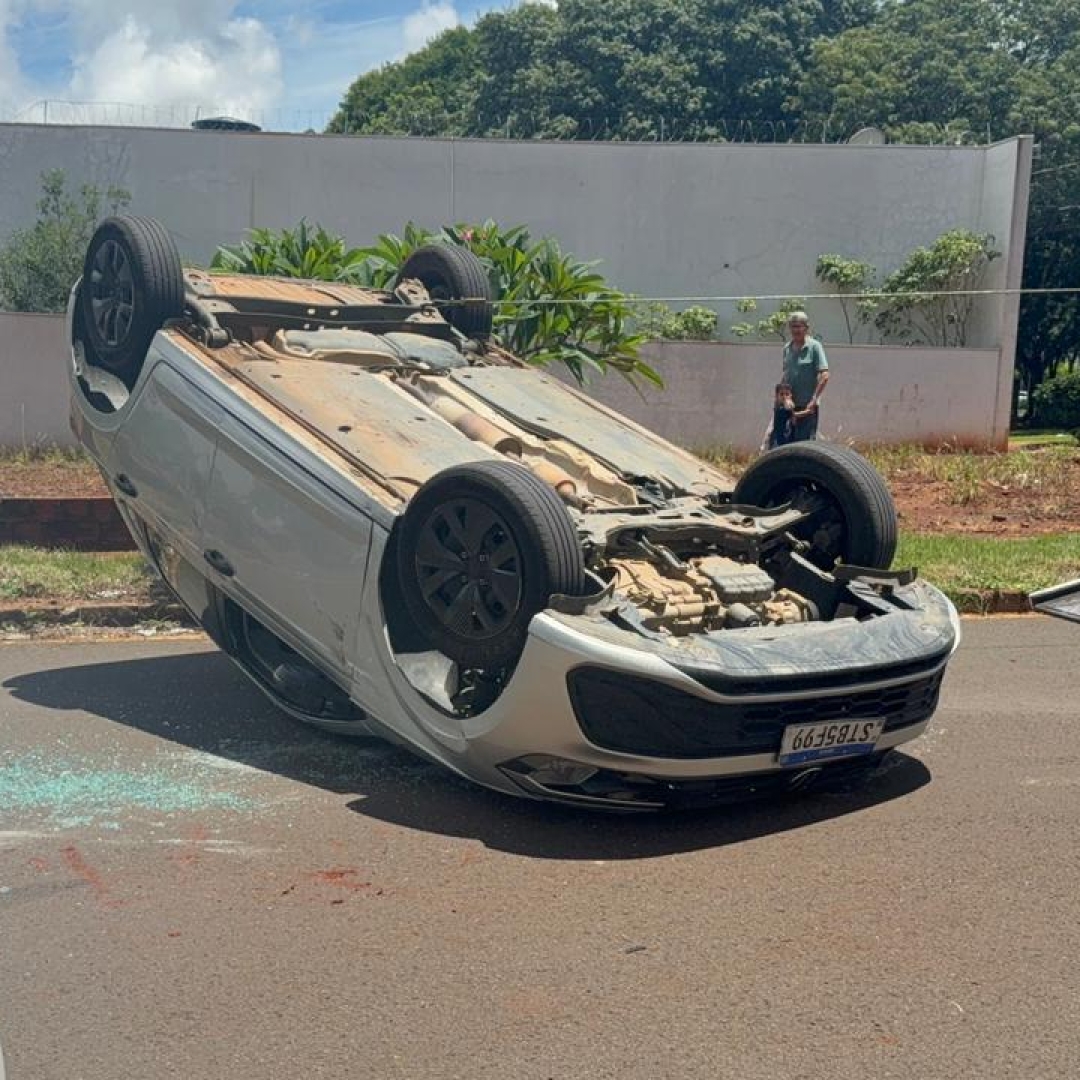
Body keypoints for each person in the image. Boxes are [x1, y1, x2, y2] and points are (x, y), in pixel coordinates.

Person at [781, 311, 829, 442]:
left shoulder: (814, 347)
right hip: (789, 406)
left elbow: (825, 375)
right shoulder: (787, 348)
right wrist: (783, 398)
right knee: (785, 442)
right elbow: (785, 376)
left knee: (805, 443)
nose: (795, 330)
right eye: (793, 326)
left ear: (806, 328)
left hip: (807, 407)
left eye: (799, 326)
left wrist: (814, 400)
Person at [768, 382, 795, 448]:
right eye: (782, 394)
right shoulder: (779, 409)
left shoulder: (788, 408)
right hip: (778, 441)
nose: (784, 397)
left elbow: (793, 418)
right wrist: (807, 412)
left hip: (788, 439)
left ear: (791, 395)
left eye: (787, 394)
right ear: (777, 396)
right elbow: (793, 414)